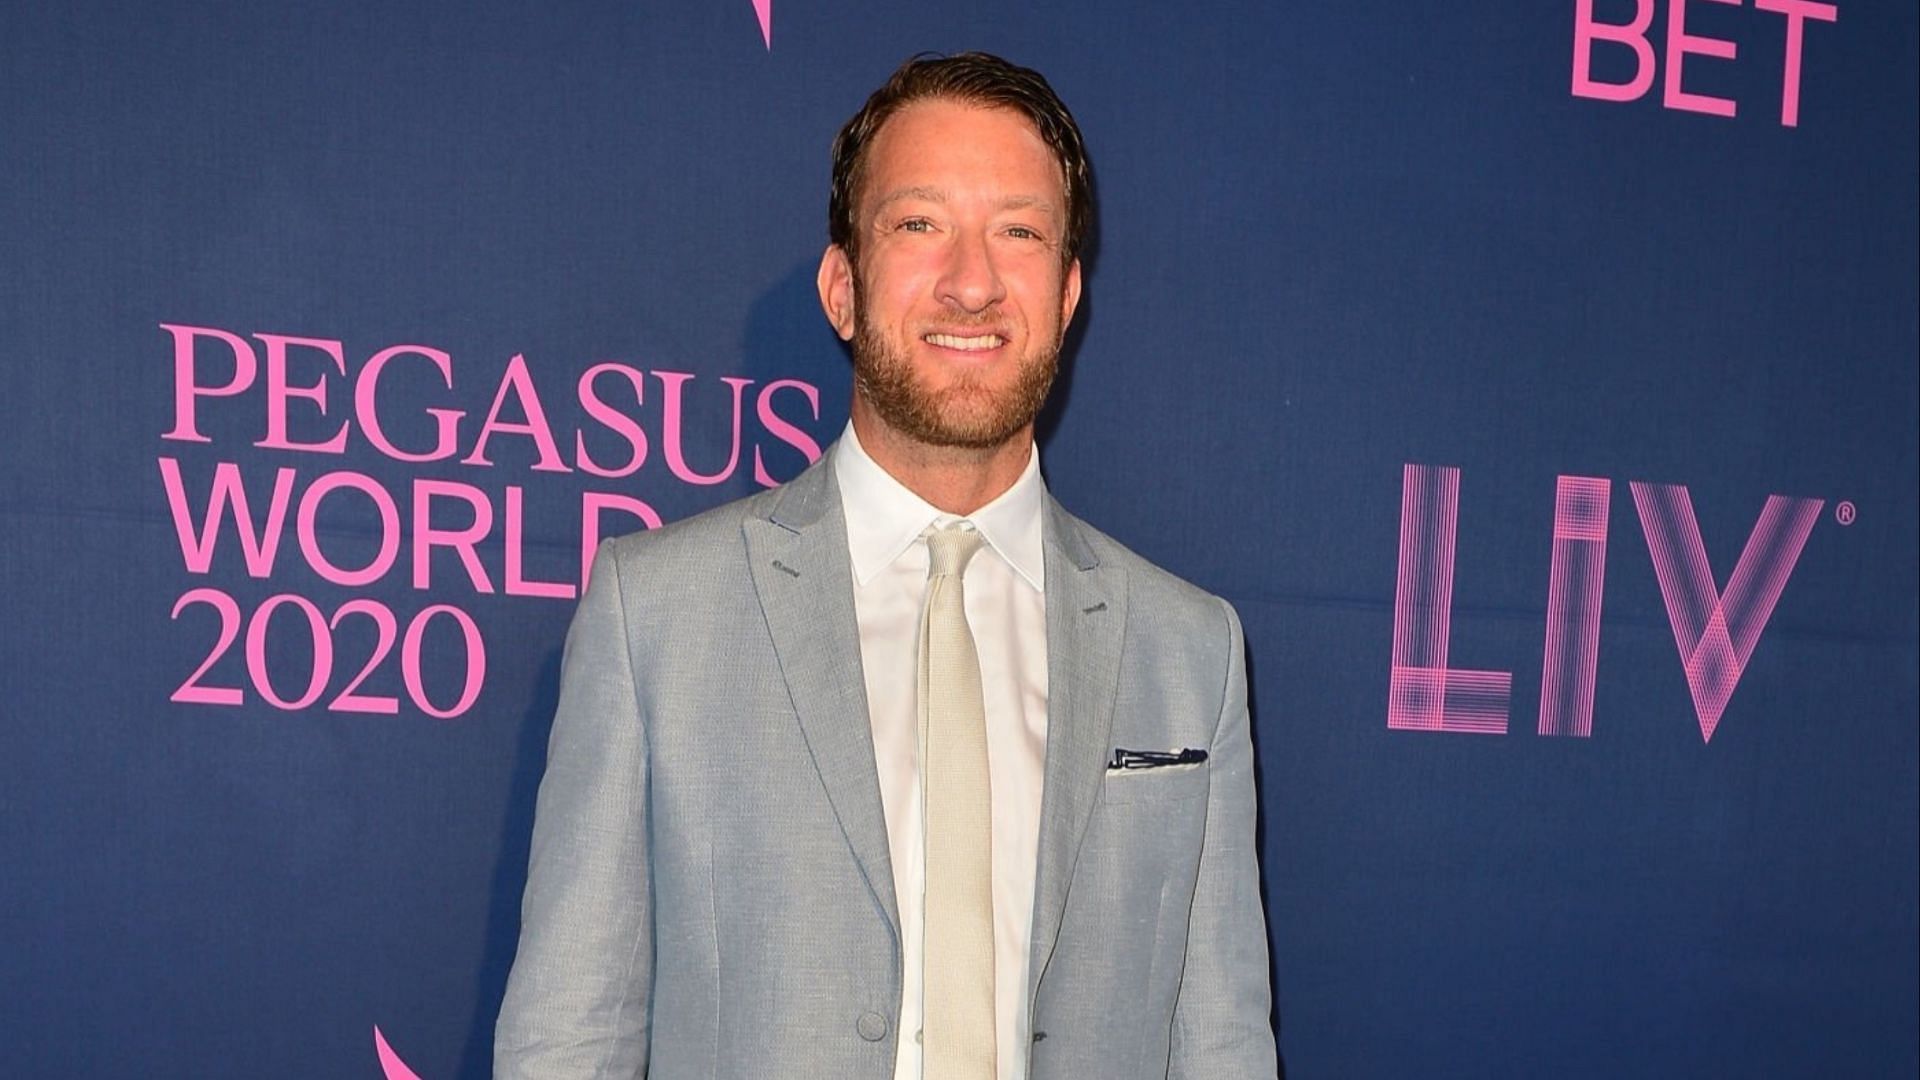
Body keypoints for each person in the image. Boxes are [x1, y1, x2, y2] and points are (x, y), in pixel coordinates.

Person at [495, 51, 1278, 1080]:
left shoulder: (1191, 650)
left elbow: (1221, 1046)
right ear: (842, 286)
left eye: (1020, 231)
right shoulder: (658, 617)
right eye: (920, 224)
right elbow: (569, 1038)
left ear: (1069, 291)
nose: (972, 281)